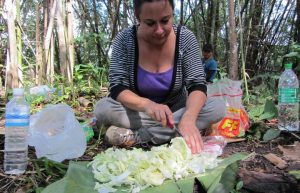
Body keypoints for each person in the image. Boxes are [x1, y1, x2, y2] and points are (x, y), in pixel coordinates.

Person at [94, 0, 225, 154]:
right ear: (138, 17)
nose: (159, 30)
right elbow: (117, 87)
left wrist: (189, 118)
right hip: (141, 112)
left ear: (172, 14)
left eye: (165, 21)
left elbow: (197, 85)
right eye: (150, 23)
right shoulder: (124, 40)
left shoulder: (185, 38)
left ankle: (138, 137)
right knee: (103, 108)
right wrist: (147, 105)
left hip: (177, 109)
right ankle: (175, 133)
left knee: (217, 107)